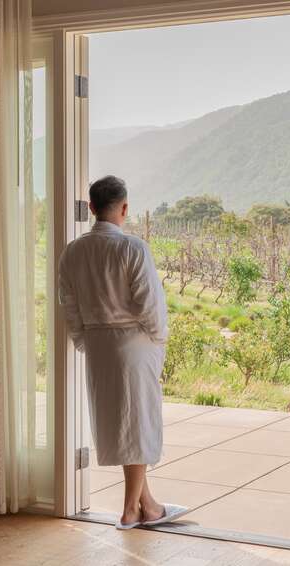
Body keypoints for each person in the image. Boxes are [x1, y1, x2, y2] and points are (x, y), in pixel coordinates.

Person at [58, 175, 188, 529]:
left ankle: (150, 505)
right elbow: (151, 306)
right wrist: (158, 339)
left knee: (122, 424)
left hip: (98, 344)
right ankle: (131, 511)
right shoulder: (132, 249)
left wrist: (85, 341)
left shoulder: (73, 251)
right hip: (133, 344)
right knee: (138, 423)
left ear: (92, 208)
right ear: (124, 208)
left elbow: (69, 307)